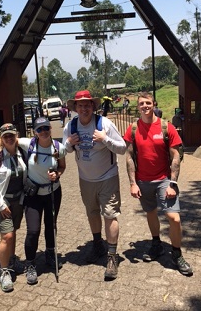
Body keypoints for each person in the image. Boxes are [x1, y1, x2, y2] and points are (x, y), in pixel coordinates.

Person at [0, 117, 66, 286]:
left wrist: (57, 174)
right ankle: (29, 263)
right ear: (35, 132)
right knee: (31, 230)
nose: (43, 131)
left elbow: (62, 166)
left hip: (50, 192)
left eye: (46, 128)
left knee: (50, 225)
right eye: (39, 129)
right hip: (30, 196)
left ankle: (50, 253)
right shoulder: (27, 144)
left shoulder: (58, 147)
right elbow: (6, 140)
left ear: (51, 128)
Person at [123, 92, 193, 276]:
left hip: (164, 181)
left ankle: (177, 254)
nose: (145, 106)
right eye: (141, 103)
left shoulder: (165, 127)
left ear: (154, 104)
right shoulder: (132, 129)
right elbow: (129, 156)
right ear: (137, 106)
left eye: (148, 103)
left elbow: (175, 156)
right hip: (143, 181)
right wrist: (132, 183)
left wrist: (173, 184)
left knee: (174, 218)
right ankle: (156, 244)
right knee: (151, 212)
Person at [63, 90, 126, 280]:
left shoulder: (104, 124)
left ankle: (112, 256)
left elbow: (122, 148)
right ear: (75, 108)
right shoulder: (71, 126)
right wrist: (68, 143)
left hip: (108, 178)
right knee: (92, 213)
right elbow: (62, 150)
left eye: (87, 105)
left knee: (110, 215)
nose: (84, 108)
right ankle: (97, 243)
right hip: (85, 180)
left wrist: (105, 139)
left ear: (93, 106)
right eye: (80, 105)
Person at [0, 123, 27, 293]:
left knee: (13, 232)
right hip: (2, 203)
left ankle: (12, 259)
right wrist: (1, 205)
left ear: (16, 135)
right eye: (5, 136)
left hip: (18, 200)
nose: (9, 138)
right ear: (1, 138)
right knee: (7, 236)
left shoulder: (21, 150)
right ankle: (4, 272)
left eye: (11, 135)